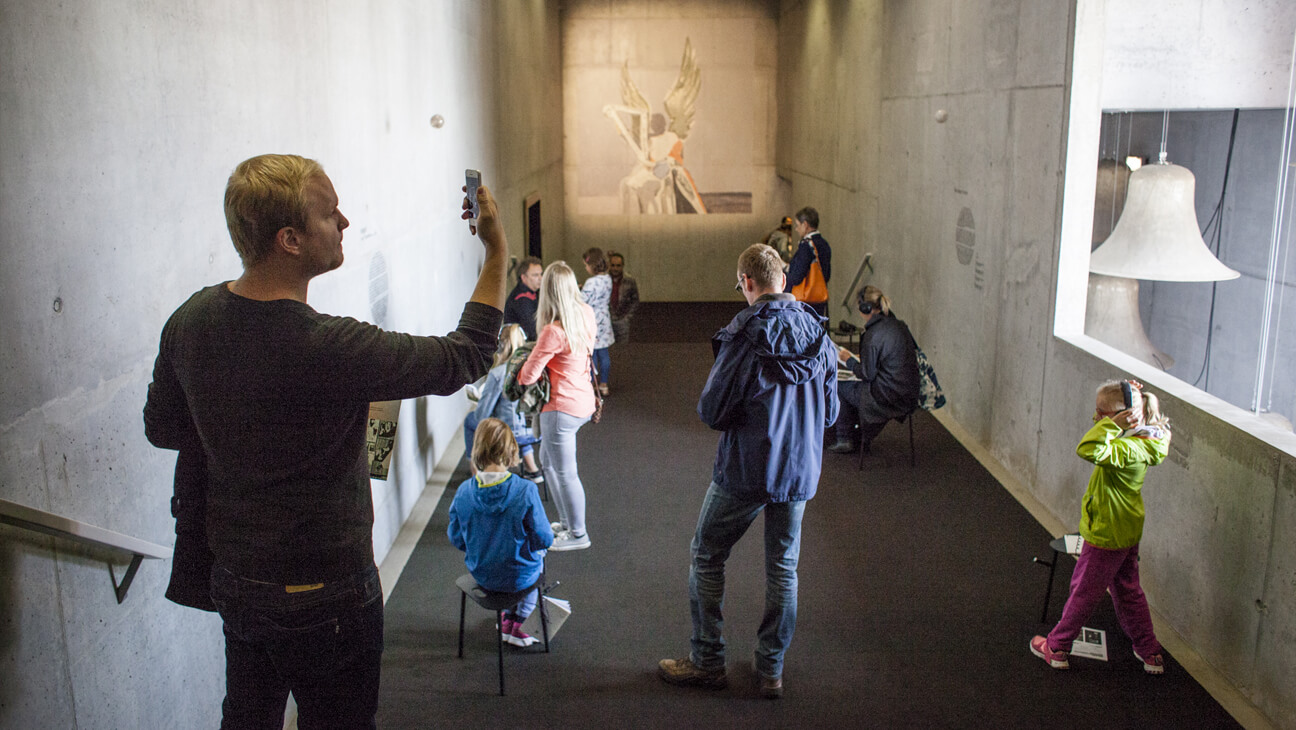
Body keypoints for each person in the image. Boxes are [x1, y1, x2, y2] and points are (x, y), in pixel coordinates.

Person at [142, 153, 508, 728]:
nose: (343, 221)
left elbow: (162, 428)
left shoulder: (191, 319)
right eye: (328, 213)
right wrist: (497, 252)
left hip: (239, 579)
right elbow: (467, 352)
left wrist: (246, 430)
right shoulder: (332, 348)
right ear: (289, 239)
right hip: (329, 592)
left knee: (245, 718)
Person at [658, 243, 838, 700]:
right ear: (783, 278)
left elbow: (713, 410)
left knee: (707, 555)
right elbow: (831, 413)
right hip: (799, 472)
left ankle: (707, 660)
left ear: (748, 283)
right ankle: (771, 670)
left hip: (746, 470)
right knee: (783, 568)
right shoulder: (820, 333)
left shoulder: (745, 335)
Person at [1032, 381, 1172, 675]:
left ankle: (1057, 647)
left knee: (1083, 591)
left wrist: (1113, 426)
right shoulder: (1146, 439)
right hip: (1126, 531)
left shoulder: (1126, 448)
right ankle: (1149, 652)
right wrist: (1118, 417)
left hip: (1107, 534)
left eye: (1101, 414)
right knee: (1128, 591)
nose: (1095, 419)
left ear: (1123, 419)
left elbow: (1087, 447)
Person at [447, 418, 554, 648]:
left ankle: (508, 619)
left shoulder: (464, 491)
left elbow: (456, 537)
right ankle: (521, 624)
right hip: (518, 576)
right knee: (537, 560)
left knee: (507, 557)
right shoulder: (526, 490)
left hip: (482, 575)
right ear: (511, 449)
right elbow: (544, 537)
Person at [518, 262, 597, 552]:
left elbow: (528, 375)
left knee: (565, 472)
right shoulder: (586, 314)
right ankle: (566, 523)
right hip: (582, 400)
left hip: (560, 407)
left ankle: (579, 534)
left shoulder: (553, 331)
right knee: (549, 463)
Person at [829, 285, 921, 454]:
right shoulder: (899, 325)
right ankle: (861, 436)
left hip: (886, 397)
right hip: (908, 394)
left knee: (839, 385)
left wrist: (848, 360)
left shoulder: (872, 334)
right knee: (853, 386)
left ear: (865, 308)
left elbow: (866, 374)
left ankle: (845, 438)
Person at [464, 324, 543, 482]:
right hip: (536, 430)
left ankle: (476, 471)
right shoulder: (534, 367)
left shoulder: (498, 373)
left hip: (508, 432)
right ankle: (532, 469)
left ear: (500, 345)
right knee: (517, 418)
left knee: (470, 420)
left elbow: (482, 415)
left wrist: (479, 399)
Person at [784, 207, 832, 317]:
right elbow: (826, 275)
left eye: (797, 225)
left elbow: (796, 277)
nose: (796, 229)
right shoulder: (824, 244)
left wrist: (785, 274)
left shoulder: (806, 246)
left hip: (805, 302)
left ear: (805, 225)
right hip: (819, 298)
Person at [581, 247, 615, 396]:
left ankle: (592, 384)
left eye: (586, 265)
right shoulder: (607, 279)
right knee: (604, 354)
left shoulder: (590, 282)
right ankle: (604, 384)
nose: (585, 268)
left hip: (591, 320)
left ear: (592, 265)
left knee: (591, 353)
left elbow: (582, 300)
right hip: (604, 319)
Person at [504, 256, 543, 340]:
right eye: (535, 275)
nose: (540, 278)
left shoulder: (530, 293)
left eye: (541, 274)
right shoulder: (522, 299)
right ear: (524, 278)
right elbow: (532, 331)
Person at [607, 251, 640, 345]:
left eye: (618, 265)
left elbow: (635, 301)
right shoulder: (603, 281)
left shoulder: (630, 281)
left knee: (623, 351)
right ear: (609, 265)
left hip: (623, 322)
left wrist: (627, 318)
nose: (615, 268)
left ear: (622, 266)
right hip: (606, 321)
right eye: (613, 265)